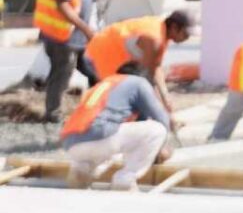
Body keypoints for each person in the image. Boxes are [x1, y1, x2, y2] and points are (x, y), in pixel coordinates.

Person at [62, 62, 172, 192]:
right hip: (100, 136)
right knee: (157, 130)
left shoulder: (105, 84)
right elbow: (162, 119)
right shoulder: (139, 83)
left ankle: (81, 170)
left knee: (113, 138)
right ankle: (125, 179)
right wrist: (162, 148)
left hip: (71, 143)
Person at [85, 10, 194, 120]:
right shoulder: (153, 38)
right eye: (185, 34)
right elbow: (147, 77)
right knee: (111, 105)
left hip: (113, 59)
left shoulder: (162, 32)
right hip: (98, 56)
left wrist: (166, 98)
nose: (187, 38)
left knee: (135, 102)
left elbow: (155, 67)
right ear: (174, 27)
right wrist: (164, 113)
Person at [34, 0, 96, 122]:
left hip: (74, 37)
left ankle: (97, 109)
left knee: (94, 70)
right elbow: (62, 5)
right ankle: (52, 114)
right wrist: (85, 28)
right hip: (60, 37)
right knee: (62, 74)